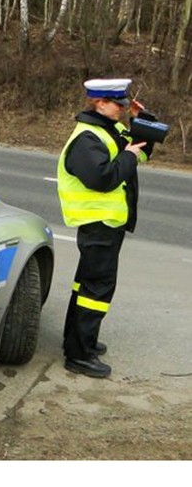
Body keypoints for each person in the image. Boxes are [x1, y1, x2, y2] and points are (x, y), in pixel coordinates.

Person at [56, 78, 153, 379]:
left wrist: (143, 122)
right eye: (119, 104)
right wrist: (128, 156)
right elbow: (102, 178)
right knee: (96, 289)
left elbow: (142, 153)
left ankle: (77, 341)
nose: (124, 109)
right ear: (100, 103)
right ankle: (79, 355)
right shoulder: (87, 139)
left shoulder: (109, 130)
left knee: (86, 284)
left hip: (108, 223)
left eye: (125, 104)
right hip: (98, 224)